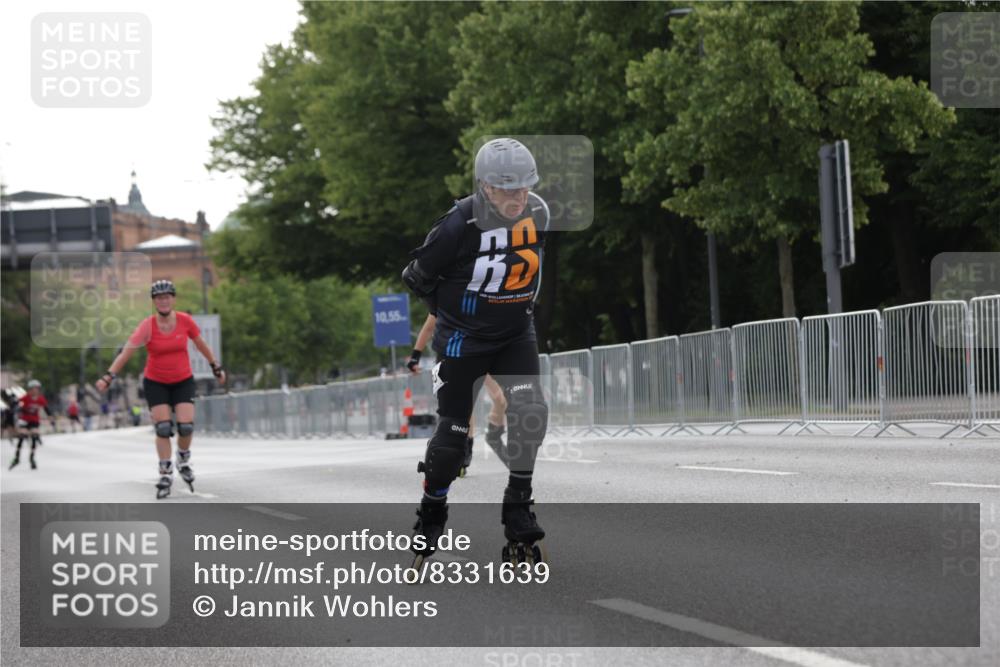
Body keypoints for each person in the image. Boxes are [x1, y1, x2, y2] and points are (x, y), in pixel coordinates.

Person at [402, 138, 550, 565]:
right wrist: (449, 315)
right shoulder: (459, 224)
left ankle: (518, 506)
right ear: (485, 186)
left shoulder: (539, 211)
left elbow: (533, 267)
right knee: (450, 443)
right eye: (506, 189)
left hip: (514, 333)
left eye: (523, 187)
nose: (516, 197)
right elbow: (416, 277)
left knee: (530, 413)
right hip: (464, 341)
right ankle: (433, 508)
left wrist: (520, 309)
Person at [95, 280, 226, 499]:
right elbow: (126, 352)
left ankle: (183, 458)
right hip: (156, 381)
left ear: (173, 299)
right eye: (159, 298)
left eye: (167, 297)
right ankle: (165, 471)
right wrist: (109, 376)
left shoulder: (185, 321)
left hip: (183, 380)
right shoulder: (147, 326)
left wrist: (215, 366)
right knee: (163, 428)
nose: (163, 301)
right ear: (154, 302)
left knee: (186, 427)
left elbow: (201, 344)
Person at [406, 312, 507, 476]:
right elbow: (429, 327)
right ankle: (466, 447)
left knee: (499, 399)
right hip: (458, 356)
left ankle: (493, 436)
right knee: (465, 405)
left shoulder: (484, 298)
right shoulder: (450, 297)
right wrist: (415, 357)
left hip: (484, 353)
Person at [9, 380, 49, 470]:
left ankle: (32, 458)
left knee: (34, 437)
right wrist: (14, 403)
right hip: (25, 420)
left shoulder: (40, 398)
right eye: (33, 389)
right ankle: (17, 458)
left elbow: (46, 408)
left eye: (37, 389)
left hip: (34, 421)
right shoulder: (26, 397)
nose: (35, 391)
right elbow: (16, 404)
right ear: (30, 390)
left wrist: (50, 417)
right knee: (22, 437)